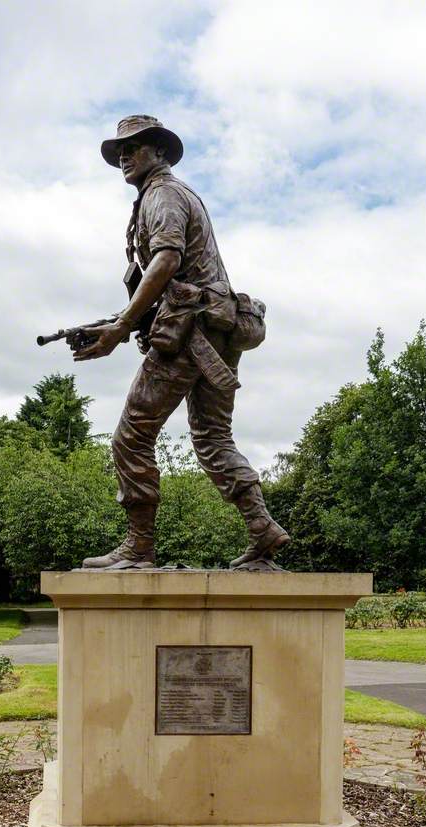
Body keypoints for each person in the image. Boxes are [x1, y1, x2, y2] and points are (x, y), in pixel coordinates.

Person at [73, 115, 289, 571]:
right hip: (213, 330)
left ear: (160, 152)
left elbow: (168, 258)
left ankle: (139, 547)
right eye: (120, 153)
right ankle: (263, 529)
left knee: (131, 437)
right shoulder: (168, 196)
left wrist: (121, 327)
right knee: (213, 438)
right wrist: (124, 321)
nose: (125, 159)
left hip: (189, 334)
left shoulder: (163, 194)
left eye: (133, 148)